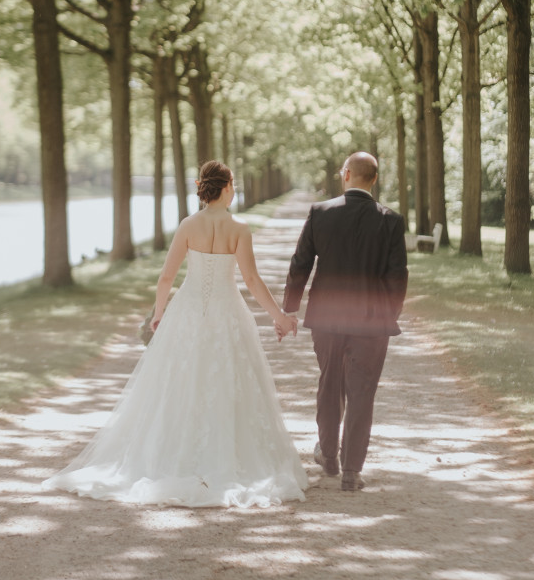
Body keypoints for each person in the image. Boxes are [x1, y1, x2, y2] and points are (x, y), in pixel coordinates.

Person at [43, 160, 307, 508]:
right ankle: (228, 458)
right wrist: (281, 317)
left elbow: (166, 277)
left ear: (204, 187)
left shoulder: (188, 225)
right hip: (228, 313)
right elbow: (253, 282)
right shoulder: (239, 228)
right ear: (226, 187)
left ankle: (175, 456)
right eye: (233, 185)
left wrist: (160, 313)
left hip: (188, 310)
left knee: (179, 380)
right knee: (229, 380)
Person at [282, 151, 408, 491]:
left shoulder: (321, 213)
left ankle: (329, 457)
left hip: (326, 317)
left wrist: (289, 308)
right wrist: (388, 313)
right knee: (362, 391)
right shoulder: (390, 221)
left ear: (347, 174)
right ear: (375, 179)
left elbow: (301, 262)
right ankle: (352, 471)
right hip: (371, 322)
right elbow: (398, 277)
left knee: (330, 383)